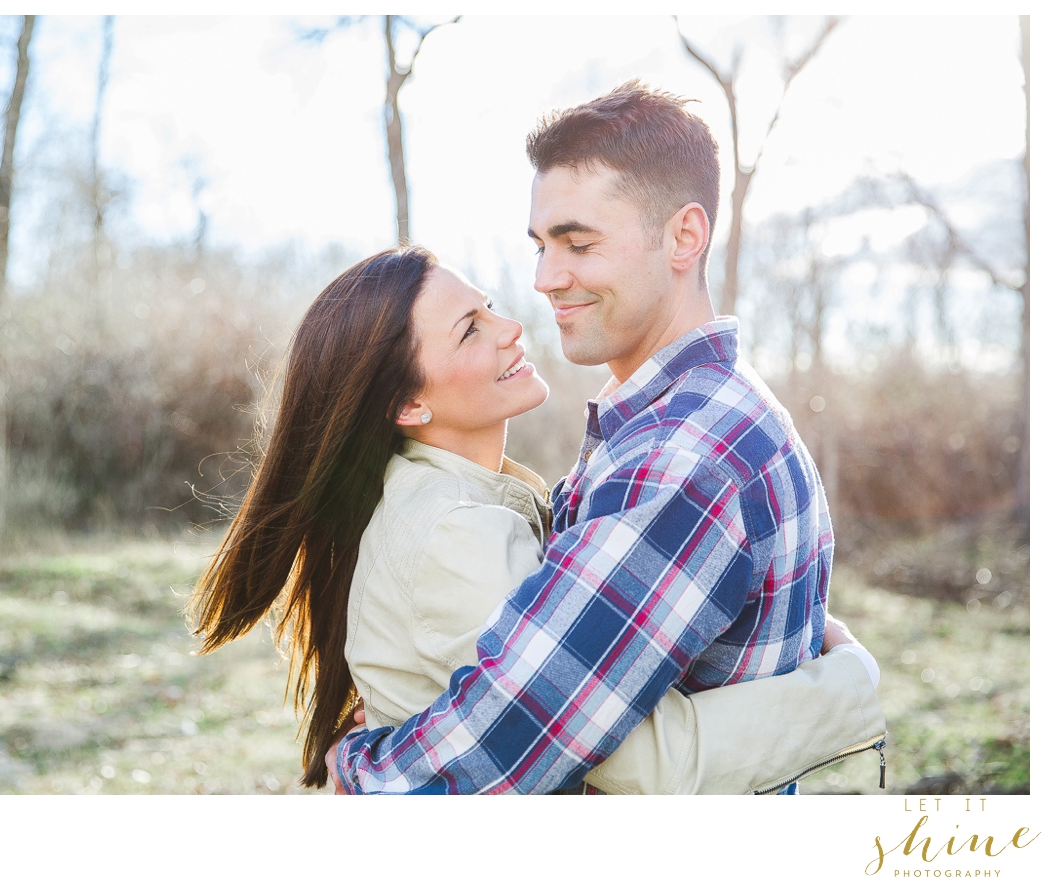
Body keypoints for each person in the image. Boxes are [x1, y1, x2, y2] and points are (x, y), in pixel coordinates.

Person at [328, 81, 878, 795]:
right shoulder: (682, 416)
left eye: (578, 244)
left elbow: (517, 734)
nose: (546, 280)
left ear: (684, 237)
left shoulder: (683, 457)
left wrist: (361, 775)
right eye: (541, 246)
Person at [188, 244, 885, 794]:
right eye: (470, 331)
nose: (511, 327)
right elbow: (644, 766)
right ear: (409, 407)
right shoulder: (455, 533)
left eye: (488, 307)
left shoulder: (456, 499)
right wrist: (845, 693)